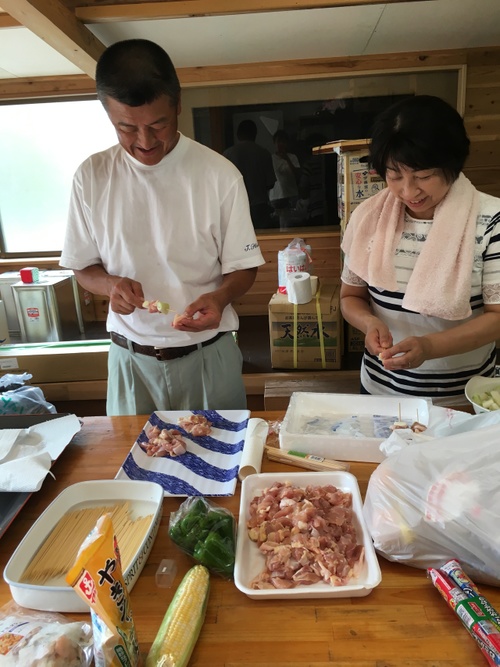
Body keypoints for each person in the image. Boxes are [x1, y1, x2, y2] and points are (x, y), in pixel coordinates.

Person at [60, 39, 265, 416]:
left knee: (221, 464)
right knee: (129, 467)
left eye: (159, 125)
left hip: (208, 355)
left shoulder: (219, 174)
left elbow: (243, 266)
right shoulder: (91, 176)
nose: (145, 142)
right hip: (130, 359)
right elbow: (82, 265)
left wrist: (219, 299)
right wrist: (109, 285)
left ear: (178, 104)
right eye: (126, 128)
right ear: (107, 115)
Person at [340, 94, 500, 406]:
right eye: (395, 175)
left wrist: (429, 347)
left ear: (451, 165)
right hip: (380, 394)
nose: (408, 191)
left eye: (423, 176)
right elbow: (350, 297)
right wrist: (369, 322)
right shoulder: (368, 218)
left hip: (462, 399)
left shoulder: (491, 221)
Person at [223, 119, 276, 229]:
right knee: (262, 239)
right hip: (259, 205)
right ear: (255, 134)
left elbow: (223, 185)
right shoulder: (263, 153)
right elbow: (270, 183)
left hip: (236, 206)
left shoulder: (228, 154)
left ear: (238, 135)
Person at [269, 130, 301, 225]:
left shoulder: (293, 157)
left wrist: (287, 159)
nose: (281, 144)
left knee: (291, 222)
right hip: (276, 195)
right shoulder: (271, 158)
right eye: (278, 141)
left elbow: (297, 174)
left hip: (291, 194)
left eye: (283, 141)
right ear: (274, 143)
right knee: (277, 222)